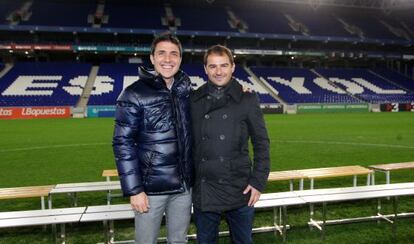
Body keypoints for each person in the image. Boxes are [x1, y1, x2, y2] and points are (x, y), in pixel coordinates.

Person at [112, 34, 193, 244]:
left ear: (180, 59)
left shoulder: (186, 91)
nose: (168, 59)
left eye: (174, 54)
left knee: (179, 241)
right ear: (152, 58)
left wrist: (239, 90)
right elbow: (123, 143)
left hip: (183, 187)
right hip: (150, 190)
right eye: (162, 53)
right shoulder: (132, 94)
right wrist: (135, 190)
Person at [190, 45, 270, 244]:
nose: (219, 71)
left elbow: (261, 142)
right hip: (205, 190)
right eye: (213, 66)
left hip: (239, 189)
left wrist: (258, 181)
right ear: (205, 69)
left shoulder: (248, 98)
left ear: (233, 67)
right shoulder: (193, 100)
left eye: (224, 65)